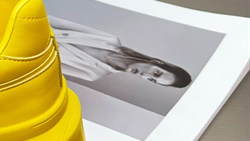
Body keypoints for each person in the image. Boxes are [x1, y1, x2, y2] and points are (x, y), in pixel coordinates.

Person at [50, 16, 193, 88]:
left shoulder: (93, 74)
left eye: (152, 80)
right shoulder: (110, 40)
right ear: (156, 62)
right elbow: (60, 23)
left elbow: (48, 67)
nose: (145, 76)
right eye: (156, 73)